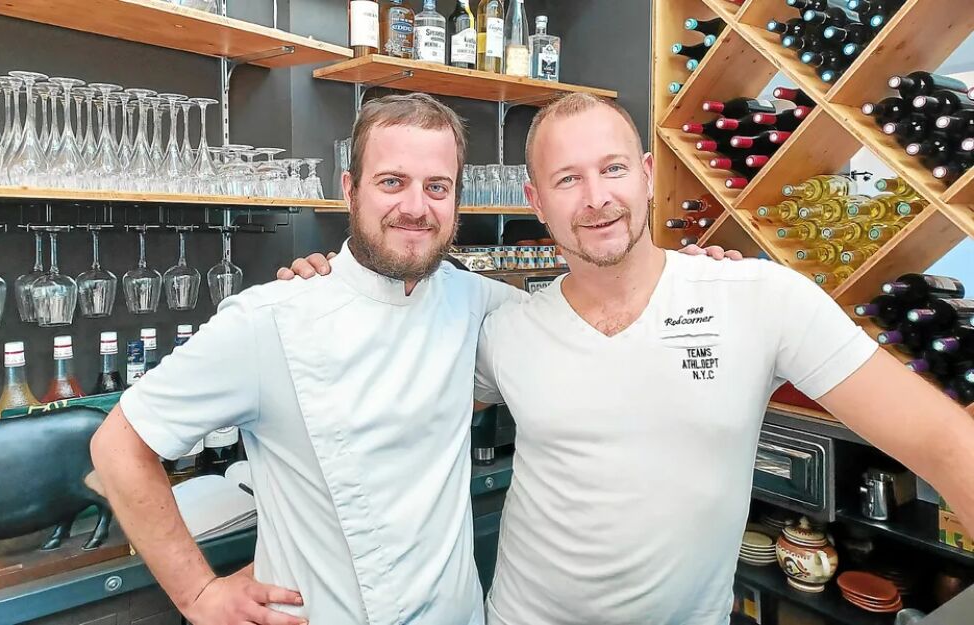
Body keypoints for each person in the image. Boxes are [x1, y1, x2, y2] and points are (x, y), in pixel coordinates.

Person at [283, 93, 974, 625]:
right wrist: (335, 287)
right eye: (567, 179)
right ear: (536, 202)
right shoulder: (507, 326)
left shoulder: (759, 298)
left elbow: (947, 440)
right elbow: (379, 396)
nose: (597, 198)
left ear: (647, 175)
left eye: (613, 169)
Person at [91, 91, 730, 625]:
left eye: (437, 186)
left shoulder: (478, 301)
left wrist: (678, 278)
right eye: (392, 182)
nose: (416, 208)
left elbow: (593, 322)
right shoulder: (271, 320)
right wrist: (200, 594)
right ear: (350, 188)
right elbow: (119, 446)